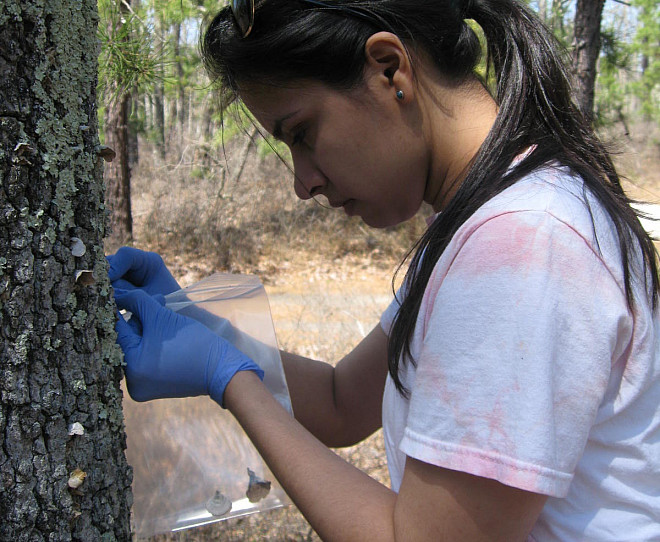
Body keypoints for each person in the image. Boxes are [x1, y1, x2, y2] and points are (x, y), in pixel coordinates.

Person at [108, 0, 660, 539]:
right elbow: (341, 401)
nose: (304, 184)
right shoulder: (487, 218)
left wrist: (230, 381)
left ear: (389, 69)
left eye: (300, 133)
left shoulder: (523, 242)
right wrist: (200, 328)